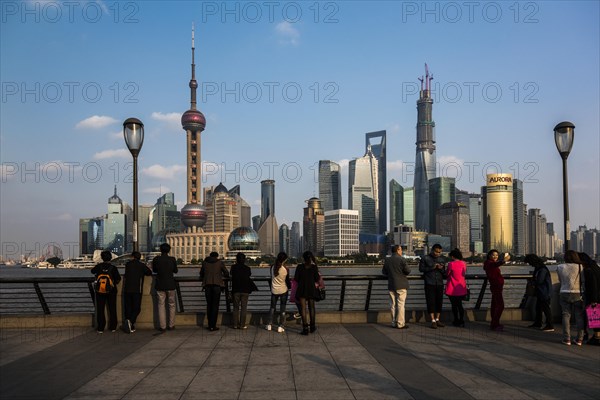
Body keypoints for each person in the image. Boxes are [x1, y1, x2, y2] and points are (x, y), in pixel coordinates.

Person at [556, 250, 585, 346]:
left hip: (564, 292)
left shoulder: (560, 267)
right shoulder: (581, 267)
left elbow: (560, 280)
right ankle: (579, 339)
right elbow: (583, 281)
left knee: (566, 315)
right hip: (577, 293)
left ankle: (567, 339)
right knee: (579, 316)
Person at [91, 250, 121, 333]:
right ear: (111, 258)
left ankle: (100, 328)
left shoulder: (99, 266)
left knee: (100, 309)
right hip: (111, 290)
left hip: (100, 290)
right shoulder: (113, 268)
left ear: (102, 258)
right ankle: (113, 327)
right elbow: (118, 278)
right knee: (112, 308)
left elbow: (92, 271)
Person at [382, 245, 411, 329]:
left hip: (391, 284)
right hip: (401, 285)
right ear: (398, 250)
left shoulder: (387, 260)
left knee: (392, 305)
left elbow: (384, 272)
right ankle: (400, 323)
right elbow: (408, 271)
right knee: (401, 304)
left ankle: (393, 322)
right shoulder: (401, 259)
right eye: (401, 250)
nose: (401, 251)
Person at [123, 251, 152, 333]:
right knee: (137, 308)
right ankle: (131, 322)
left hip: (127, 289)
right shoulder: (141, 265)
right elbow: (149, 273)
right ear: (140, 258)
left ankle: (129, 324)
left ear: (132, 257)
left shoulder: (128, 265)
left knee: (128, 308)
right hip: (137, 289)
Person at [523, 254, 554, 332]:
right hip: (541, 292)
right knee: (538, 308)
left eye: (529, 262)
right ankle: (538, 323)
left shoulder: (542, 269)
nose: (530, 264)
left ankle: (550, 325)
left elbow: (540, 280)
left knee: (546, 309)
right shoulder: (539, 268)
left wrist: (532, 283)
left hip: (544, 292)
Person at [200, 251, 230, 331]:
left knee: (209, 305)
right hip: (217, 286)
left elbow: (201, 274)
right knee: (215, 306)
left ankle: (210, 325)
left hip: (207, 286)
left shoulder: (204, 263)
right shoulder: (219, 263)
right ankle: (213, 325)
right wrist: (220, 275)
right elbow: (226, 273)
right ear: (217, 256)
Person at [419, 243, 447, 329]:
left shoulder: (442, 259)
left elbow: (444, 274)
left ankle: (438, 319)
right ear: (432, 250)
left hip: (439, 283)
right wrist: (433, 267)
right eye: (436, 252)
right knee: (430, 302)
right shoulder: (425, 258)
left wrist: (441, 268)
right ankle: (432, 320)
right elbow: (421, 269)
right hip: (429, 283)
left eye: (439, 252)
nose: (437, 253)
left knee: (439, 302)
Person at [152, 243, 178, 333]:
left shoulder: (156, 259)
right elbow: (176, 271)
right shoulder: (172, 259)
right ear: (169, 250)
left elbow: (154, 270)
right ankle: (171, 325)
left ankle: (162, 326)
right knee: (172, 304)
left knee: (161, 305)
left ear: (160, 250)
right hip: (171, 284)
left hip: (160, 285)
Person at [484, 249, 510, 331]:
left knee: (494, 305)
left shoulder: (491, 263)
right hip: (496, 286)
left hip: (496, 286)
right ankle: (495, 324)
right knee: (500, 305)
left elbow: (496, 265)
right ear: (489, 256)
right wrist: (504, 260)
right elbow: (496, 264)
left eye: (497, 255)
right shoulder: (489, 263)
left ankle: (495, 323)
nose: (495, 256)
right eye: (493, 255)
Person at [294, 251, 320, 335]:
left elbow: (296, 279)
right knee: (312, 308)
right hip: (311, 289)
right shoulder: (314, 267)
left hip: (302, 289)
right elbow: (317, 279)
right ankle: (312, 326)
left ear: (303, 258)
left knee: (303, 309)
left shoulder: (299, 267)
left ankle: (305, 328)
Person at [230, 252, 256, 329]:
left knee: (235, 308)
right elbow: (249, 275)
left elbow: (231, 274)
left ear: (236, 259)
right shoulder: (247, 268)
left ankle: (235, 324)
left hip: (236, 290)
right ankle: (242, 325)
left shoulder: (233, 267)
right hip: (245, 290)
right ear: (244, 260)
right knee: (244, 308)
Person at [578, 252, 600, 345]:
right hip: (598, 295)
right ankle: (595, 336)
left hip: (595, 296)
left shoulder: (588, 270)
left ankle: (596, 337)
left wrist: (593, 300)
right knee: (596, 317)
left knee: (595, 317)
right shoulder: (596, 267)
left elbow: (593, 285)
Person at [266, 252, 290, 333]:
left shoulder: (272, 267)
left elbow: (271, 278)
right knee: (282, 308)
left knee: (272, 307)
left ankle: (269, 324)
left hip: (274, 290)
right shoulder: (285, 269)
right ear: (284, 260)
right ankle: (280, 326)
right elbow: (287, 281)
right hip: (283, 290)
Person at [446, 248, 467, 327]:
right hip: (461, 287)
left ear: (452, 256)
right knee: (460, 305)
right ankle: (462, 320)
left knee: (454, 305)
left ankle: (456, 320)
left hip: (452, 288)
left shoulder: (451, 264)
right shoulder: (464, 263)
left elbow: (447, 274)